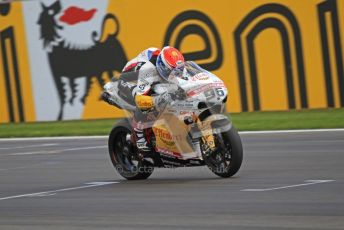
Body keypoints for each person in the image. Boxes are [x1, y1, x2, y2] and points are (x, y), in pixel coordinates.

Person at [120, 46, 185, 153]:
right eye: (170, 71)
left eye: (176, 71)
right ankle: (138, 134)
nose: (173, 74)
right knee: (145, 102)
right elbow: (140, 99)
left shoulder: (168, 63)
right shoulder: (148, 70)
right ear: (162, 66)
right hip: (128, 81)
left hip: (148, 76)